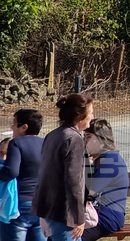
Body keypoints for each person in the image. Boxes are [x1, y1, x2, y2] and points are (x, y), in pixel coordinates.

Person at [33, 93, 94, 241]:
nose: (92, 117)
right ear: (80, 116)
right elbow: (74, 181)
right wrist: (79, 218)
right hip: (64, 212)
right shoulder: (74, 139)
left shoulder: (53, 135)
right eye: (91, 113)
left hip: (48, 207)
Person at [0, 109, 44, 241]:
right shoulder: (45, 143)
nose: (12, 127)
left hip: (20, 203)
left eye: (14, 123)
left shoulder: (17, 143)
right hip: (41, 204)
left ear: (24, 127)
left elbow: (12, 171)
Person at [82, 120, 129, 241]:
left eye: (88, 137)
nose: (84, 141)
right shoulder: (102, 158)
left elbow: (88, 192)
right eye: (84, 136)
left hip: (107, 217)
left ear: (102, 140)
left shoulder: (110, 160)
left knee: (68, 236)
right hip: (97, 214)